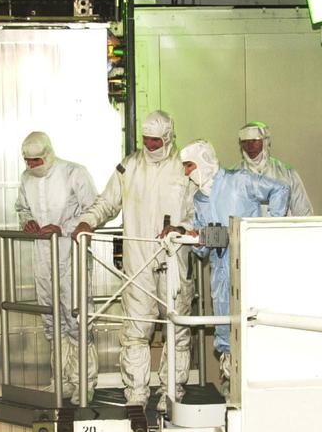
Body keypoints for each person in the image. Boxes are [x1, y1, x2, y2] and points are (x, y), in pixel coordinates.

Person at [72, 111, 195, 405]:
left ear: (168, 138)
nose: (150, 146)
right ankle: (137, 394)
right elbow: (107, 202)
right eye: (146, 140)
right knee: (135, 331)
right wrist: (88, 221)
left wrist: (182, 228)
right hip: (137, 261)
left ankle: (172, 393)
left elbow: (200, 211)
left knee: (176, 330)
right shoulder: (129, 166)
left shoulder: (185, 168)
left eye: (156, 141)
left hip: (174, 258)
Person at [179, 140, 290, 388]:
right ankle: (233, 397)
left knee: (254, 333)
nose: (187, 172)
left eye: (189, 165)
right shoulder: (199, 198)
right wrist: (198, 241)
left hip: (250, 271)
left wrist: (264, 231)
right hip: (221, 278)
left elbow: (281, 189)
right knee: (227, 337)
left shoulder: (238, 180)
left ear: (204, 161)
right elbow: (206, 244)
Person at [15, 131, 99, 399]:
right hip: (43, 254)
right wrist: (27, 221)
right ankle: (61, 380)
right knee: (51, 320)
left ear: (48, 154)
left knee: (76, 319)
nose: (32, 167)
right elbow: (22, 208)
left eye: (37, 161)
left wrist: (63, 227)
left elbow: (94, 210)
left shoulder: (74, 172)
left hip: (70, 252)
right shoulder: (26, 179)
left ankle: (83, 383)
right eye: (28, 162)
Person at [234, 121, 313, 216]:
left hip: (280, 230)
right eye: (245, 142)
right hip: (245, 230)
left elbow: (303, 213)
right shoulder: (232, 176)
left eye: (255, 141)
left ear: (265, 142)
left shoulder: (286, 174)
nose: (250, 146)